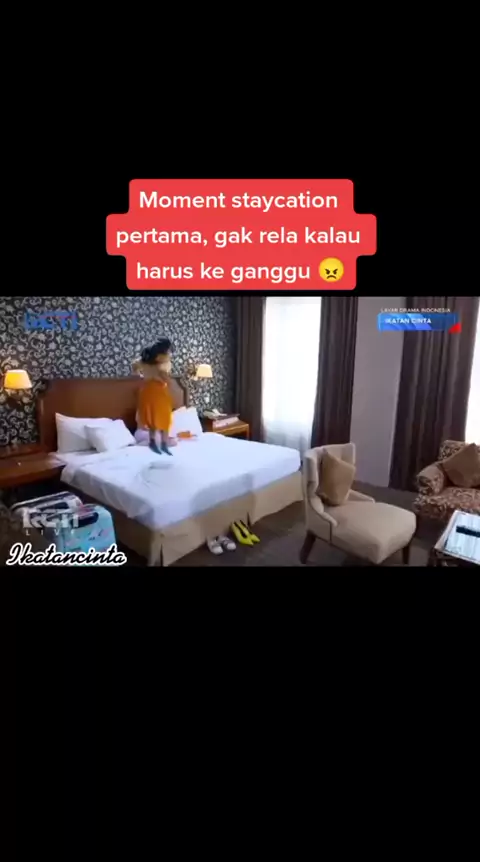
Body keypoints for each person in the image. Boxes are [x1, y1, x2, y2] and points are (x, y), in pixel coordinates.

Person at [133, 339, 174, 455]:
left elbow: (134, 367)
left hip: (147, 392)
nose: (169, 355)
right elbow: (168, 382)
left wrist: (140, 375)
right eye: (167, 353)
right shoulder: (161, 367)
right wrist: (163, 378)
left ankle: (154, 442)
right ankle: (163, 444)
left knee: (153, 420)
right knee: (163, 420)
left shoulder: (144, 363)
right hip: (158, 393)